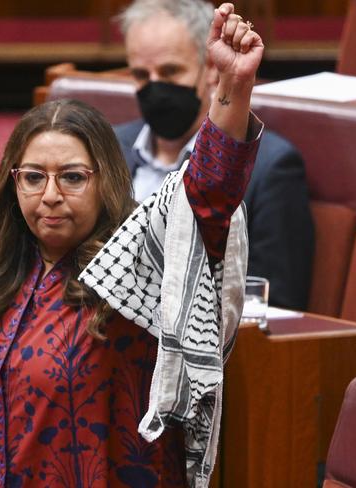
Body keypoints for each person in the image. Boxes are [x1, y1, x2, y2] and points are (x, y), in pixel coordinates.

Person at [0, 4, 261, 487]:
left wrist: (232, 87)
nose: (49, 195)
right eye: (32, 177)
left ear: (105, 180)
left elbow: (204, 200)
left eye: (71, 177)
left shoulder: (131, 272)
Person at [115, 0, 314, 310]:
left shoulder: (269, 167)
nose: (155, 88)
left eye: (170, 71)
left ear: (210, 67)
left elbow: (274, 302)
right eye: (142, 74)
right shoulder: (110, 148)